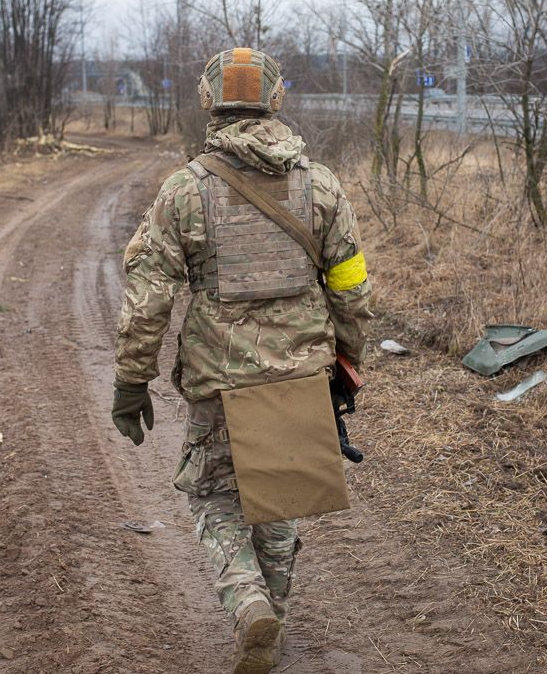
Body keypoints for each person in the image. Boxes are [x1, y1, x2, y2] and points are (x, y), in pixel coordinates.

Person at [111, 47, 373, 673]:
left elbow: (149, 299)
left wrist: (131, 380)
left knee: (213, 495)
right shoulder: (322, 185)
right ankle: (271, 621)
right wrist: (347, 363)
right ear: (276, 100)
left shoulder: (185, 191)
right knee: (277, 497)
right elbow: (352, 288)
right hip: (301, 372)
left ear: (209, 103)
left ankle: (248, 599)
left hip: (219, 379)